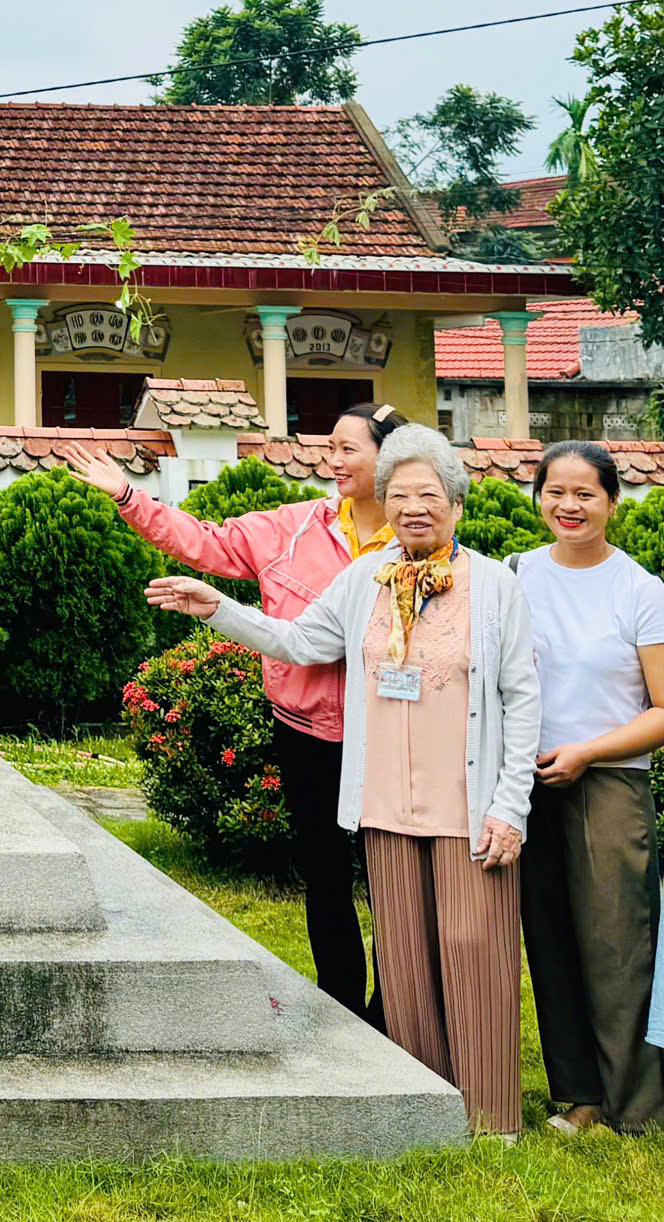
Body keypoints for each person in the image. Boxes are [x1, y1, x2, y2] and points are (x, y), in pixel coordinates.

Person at [148, 423, 539, 1137]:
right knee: (406, 958)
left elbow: (522, 699)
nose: (413, 507)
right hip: (387, 801)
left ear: (456, 502)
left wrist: (510, 806)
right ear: (383, 504)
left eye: (428, 494)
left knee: (472, 948)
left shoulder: (497, 587)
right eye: (399, 495)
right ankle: (422, 1106)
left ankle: (490, 1114)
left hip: (467, 805)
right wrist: (221, 610)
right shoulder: (363, 580)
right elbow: (301, 642)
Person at [71, 400, 405, 1017]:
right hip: (304, 729)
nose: (332, 461)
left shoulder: (416, 540)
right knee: (325, 875)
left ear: (391, 459)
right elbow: (206, 542)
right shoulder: (295, 528)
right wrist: (128, 496)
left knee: (394, 881)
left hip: (389, 731)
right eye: (329, 447)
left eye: (348, 449)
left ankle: (393, 1012)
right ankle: (341, 1007)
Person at [514, 440, 664, 1134]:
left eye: (585, 494)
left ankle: (636, 1106)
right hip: (530, 779)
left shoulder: (641, 590)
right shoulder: (516, 576)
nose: (569, 506)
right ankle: (580, 1097)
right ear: (538, 496)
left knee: (618, 947)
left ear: (612, 502)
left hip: (609, 783)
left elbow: (662, 710)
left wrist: (588, 752)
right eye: (555, 491)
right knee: (548, 940)